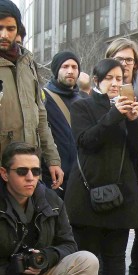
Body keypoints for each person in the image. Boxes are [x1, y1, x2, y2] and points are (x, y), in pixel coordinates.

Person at [64, 59, 138, 275]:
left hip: (121, 194)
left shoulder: (129, 107)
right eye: (109, 77)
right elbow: (85, 141)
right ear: (97, 81)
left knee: (115, 258)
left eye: (119, 78)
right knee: (85, 258)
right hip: (88, 193)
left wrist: (133, 120)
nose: (115, 83)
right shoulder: (82, 105)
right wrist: (114, 115)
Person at [0, 142, 98, 275]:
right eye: (22, 172)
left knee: (87, 261)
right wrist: (10, 269)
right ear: (4, 174)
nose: (30, 177)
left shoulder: (51, 200)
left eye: (35, 171)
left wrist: (46, 257)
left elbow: (69, 245)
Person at [0, 1, 63, 192]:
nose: (4, 34)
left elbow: (40, 117)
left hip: (28, 170)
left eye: (10, 28)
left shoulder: (28, 64)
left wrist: (52, 160)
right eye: (0, 28)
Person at [106, 38, 138, 275]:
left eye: (129, 60)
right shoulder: (102, 91)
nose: (125, 65)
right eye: (120, 59)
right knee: (114, 226)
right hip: (113, 166)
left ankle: (136, 274)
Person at [43, 51, 83, 194]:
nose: (70, 71)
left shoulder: (83, 100)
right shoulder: (44, 98)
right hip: (53, 176)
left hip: (79, 176)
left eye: (74, 67)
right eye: (65, 66)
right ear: (56, 70)